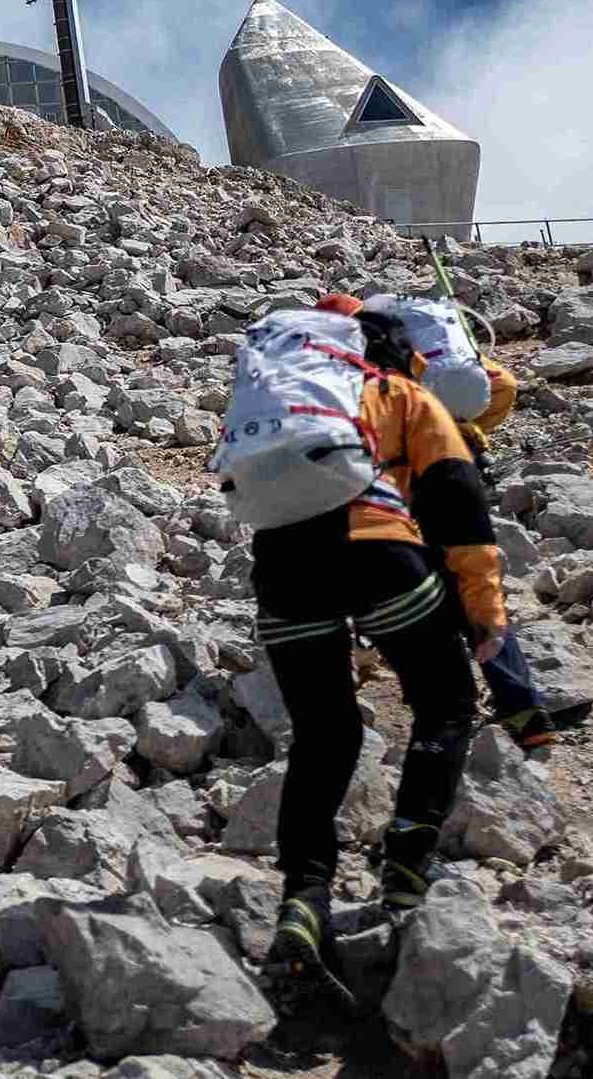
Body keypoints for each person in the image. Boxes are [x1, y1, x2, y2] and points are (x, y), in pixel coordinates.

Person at [260, 299, 496, 1002]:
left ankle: (303, 898)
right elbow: (457, 503)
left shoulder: (287, 402)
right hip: (379, 558)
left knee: (322, 735)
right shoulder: (404, 396)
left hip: (282, 573)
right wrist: (482, 612)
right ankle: (405, 868)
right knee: (447, 703)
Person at [351, 295, 591, 749]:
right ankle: (523, 709)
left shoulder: (353, 367)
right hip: (459, 469)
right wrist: (470, 426)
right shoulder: (429, 353)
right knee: (476, 587)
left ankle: (411, 699)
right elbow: (502, 384)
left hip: (399, 490)